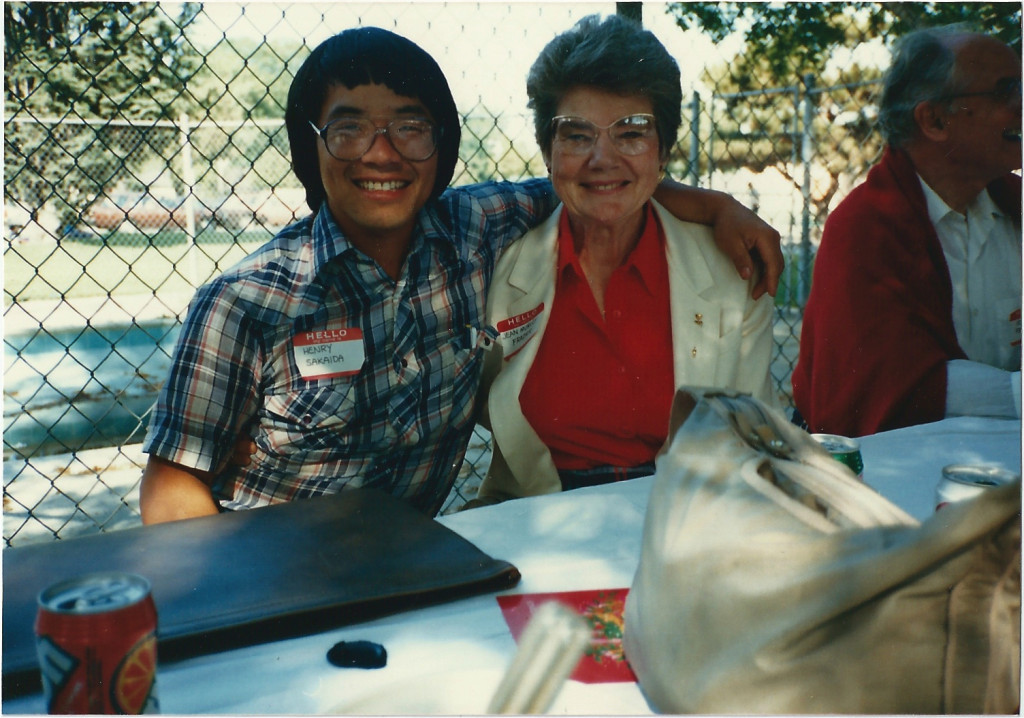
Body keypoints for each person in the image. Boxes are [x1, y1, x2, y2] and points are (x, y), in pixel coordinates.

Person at [140, 26, 783, 524]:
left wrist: (720, 206)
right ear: (310, 146)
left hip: (419, 558)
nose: (381, 152)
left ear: (441, 142)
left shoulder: (473, 233)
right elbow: (171, 495)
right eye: (349, 129)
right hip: (279, 570)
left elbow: (606, 182)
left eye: (409, 127)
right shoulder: (245, 303)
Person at [469, 15, 776, 505]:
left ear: (663, 151)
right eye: (576, 134)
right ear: (547, 152)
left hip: (690, 517)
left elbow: (749, 445)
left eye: (631, 133)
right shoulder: (495, 274)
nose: (602, 158)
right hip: (534, 522)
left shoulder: (730, 275)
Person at [792, 26, 1021, 438]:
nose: (1020, 103)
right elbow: (885, 389)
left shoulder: (1016, 208)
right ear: (934, 120)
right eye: (1005, 91)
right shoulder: (865, 229)